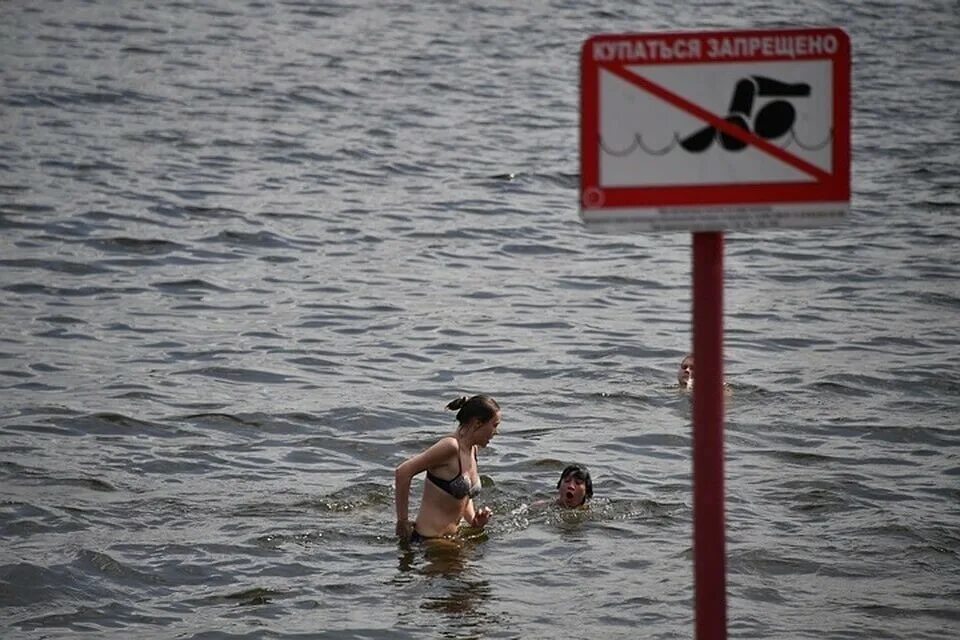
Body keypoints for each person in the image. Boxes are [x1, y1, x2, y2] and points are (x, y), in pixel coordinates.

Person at [395, 394, 501, 543]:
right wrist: (402, 521)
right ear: (478, 423)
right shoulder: (450, 447)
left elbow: (463, 494)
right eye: (494, 425)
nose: (496, 432)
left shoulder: (472, 450)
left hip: (451, 539)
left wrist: (474, 521)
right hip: (428, 541)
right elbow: (403, 472)